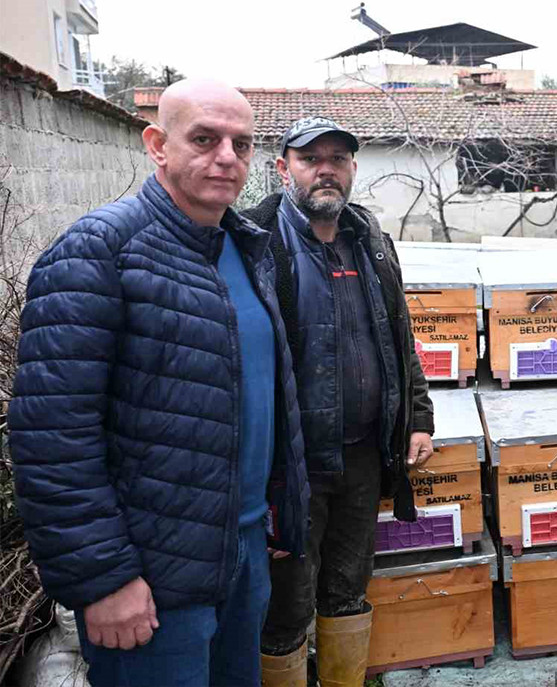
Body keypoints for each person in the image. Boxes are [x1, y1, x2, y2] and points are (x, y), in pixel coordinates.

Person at [7, 79, 309, 687]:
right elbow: (51, 435)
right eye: (204, 139)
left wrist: (279, 514)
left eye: (241, 144)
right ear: (157, 145)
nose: (226, 157)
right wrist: (104, 580)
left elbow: (260, 397)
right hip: (150, 577)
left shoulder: (246, 249)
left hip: (243, 550)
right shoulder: (98, 251)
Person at [242, 116, 435, 687]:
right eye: (310, 159)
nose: (325, 170)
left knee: (348, 588)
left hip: (363, 457)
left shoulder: (371, 240)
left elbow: (400, 339)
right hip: (289, 467)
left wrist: (417, 419)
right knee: (285, 605)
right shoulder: (256, 243)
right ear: (283, 170)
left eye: (338, 159)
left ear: (352, 168)